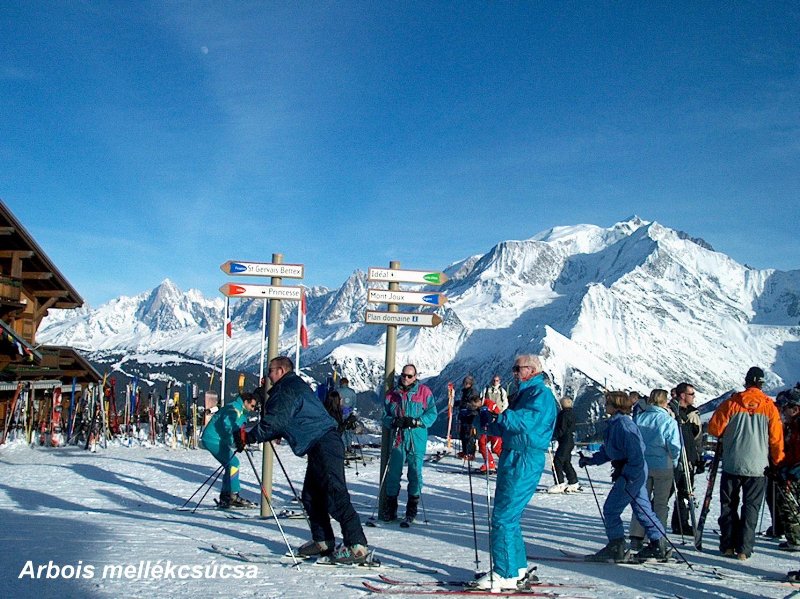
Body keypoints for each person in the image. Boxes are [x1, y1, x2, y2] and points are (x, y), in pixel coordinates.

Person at [237, 356, 369, 564]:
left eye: (270, 370)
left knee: (334, 494)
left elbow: (276, 421)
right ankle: (323, 540)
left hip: (323, 443)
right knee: (311, 495)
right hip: (319, 443)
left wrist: (250, 437)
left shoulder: (287, 389)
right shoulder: (292, 386)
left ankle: (357, 546)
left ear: (280, 371)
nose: (268, 375)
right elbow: (284, 421)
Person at [472, 355, 557, 591]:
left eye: (517, 369)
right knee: (509, 515)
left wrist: (497, 415)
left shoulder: (540, 395)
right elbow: (507, 426)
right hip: (514, 455)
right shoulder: (525, 393)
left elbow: (523, 422)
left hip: (525, 457)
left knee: (504, 516)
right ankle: (517, 568)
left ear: (531, 370)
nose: (514, 373)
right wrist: (482, 420)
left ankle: (505, 573)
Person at [579, 391, 670, 563]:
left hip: (631, 472)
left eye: (607, 403)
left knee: (611, 509)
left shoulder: (623, 425)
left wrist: (629, 475)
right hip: (633, 471)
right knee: (642, 509)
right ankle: (659, 544)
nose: (605, 406)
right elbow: (610, 450)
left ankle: (616, 547)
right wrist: (591, 460)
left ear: (616, 406)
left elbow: (636, 452)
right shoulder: (617, 424)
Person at [707, 366, 784, 560]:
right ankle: (744, 549)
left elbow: (715, 429)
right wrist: (777, 462)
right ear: (762, 384)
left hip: (732, 463)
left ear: (746, 381)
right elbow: (776, 439)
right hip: (758, 466)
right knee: (751, 507)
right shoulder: (769, 407)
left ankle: (728, 546)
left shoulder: (731, 403)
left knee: (728, 505)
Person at [381, 364, 438, 526]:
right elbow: (384, 415)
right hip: (399, 437)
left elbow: (432, 413)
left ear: (415, 377)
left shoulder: (424, 392)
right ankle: (390, 508)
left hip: (416, 437)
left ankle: (411, 510)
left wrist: (417, 421)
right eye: (404, 375)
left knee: (414, 473)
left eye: (409, 376)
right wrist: (393, 421)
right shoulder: (393, 394)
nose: (406, 378)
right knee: (393, 473)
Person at [629, 389, 681, 549]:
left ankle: (636, 536)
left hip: (642, 465)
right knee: (660, 503)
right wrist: (674, 460)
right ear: (665, 402)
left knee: (641, 502)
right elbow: (674, 446)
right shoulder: (668, 421)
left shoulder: (639, 418)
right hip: (663, 465)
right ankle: (657, 537)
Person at [201, 391, 259, 508]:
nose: (253, 409)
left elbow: (237, 428)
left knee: (230, 465)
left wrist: (240, 440)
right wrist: (237, 439)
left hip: (218, 440)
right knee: (234, 464)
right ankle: (233, 495)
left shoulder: (241, 410)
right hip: (213, 439)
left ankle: (226, 496)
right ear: (245, 402)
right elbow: (229, 425)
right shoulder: (233, 409)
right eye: (252, 406)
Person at [670, 382, 702, 535]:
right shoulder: (671, 411)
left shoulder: (693, 413)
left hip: (689, 457)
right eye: (691, 394)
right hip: (674, 458)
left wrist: (698, 457)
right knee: (667, 491)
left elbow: (698, 438)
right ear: (683, 395)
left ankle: (681, 523)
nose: (694, 397)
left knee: (685, 492)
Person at [548, 396, 580, 493]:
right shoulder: (572, 413)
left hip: (564, 441)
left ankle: (559, 483)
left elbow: (562, 428)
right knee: (566, 462)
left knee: (557, 461)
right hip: (570, 440)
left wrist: (553, 436)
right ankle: (573, 482)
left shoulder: (563, 414)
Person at [478, 393, 503, 473]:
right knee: (482, 442)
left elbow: (489, 417)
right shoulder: (480, 406)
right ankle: (490, 463)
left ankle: (508, 464)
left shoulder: (488, 404)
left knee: (496, 448)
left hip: (496, 428)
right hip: (487, 429)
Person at [458, 394, 482, 461]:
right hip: (466, 425)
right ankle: (465, 452)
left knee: (470, 440)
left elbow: (476, 416)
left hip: (472, 427)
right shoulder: (469, 409)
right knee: (464, 438)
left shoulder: (477, 411)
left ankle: (471, 454)